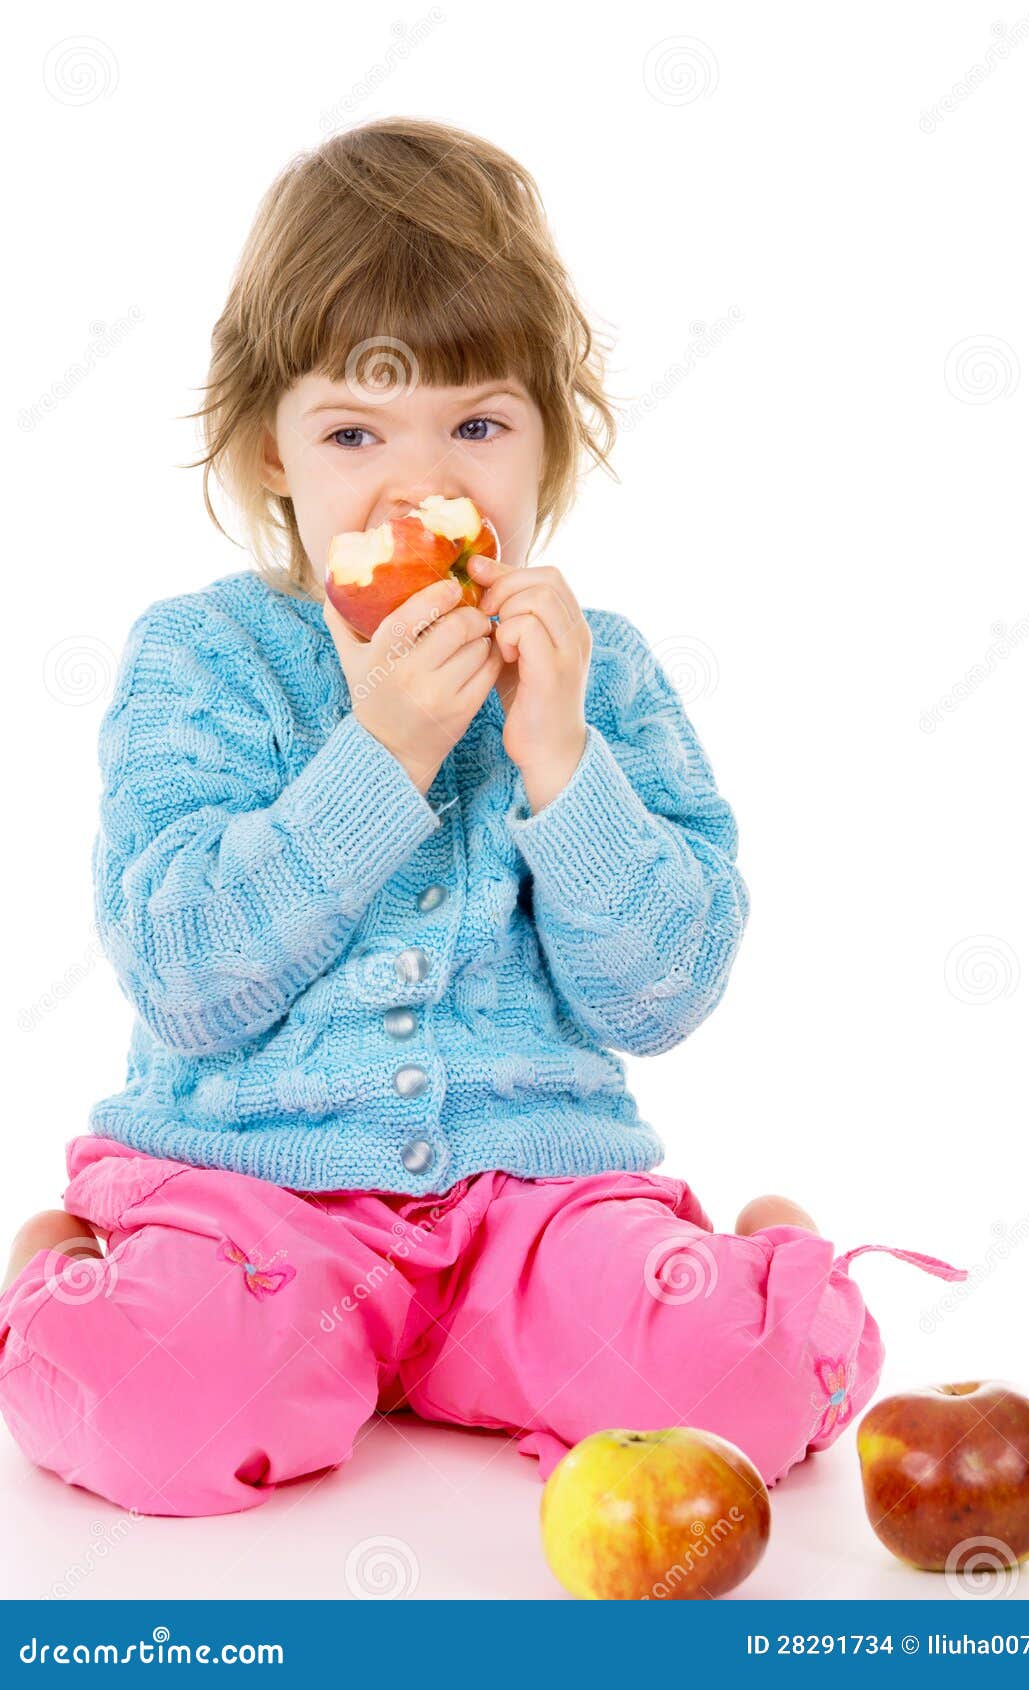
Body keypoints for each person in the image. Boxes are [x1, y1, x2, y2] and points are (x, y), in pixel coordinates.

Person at [0, 117, 965, 1520]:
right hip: (259, 1203)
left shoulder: (598, 670)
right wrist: (381, 752)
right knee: (153, 1409)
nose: (423, 483)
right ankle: (62, 1266)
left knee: (735, 1395)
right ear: (270, 450)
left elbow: (663, 994)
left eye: (477, 424)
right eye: (352, 431)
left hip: (532, 1208)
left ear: (546, 444)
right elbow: (182, 972)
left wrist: (564, 762)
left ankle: (766, 1261)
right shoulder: (198, 658)